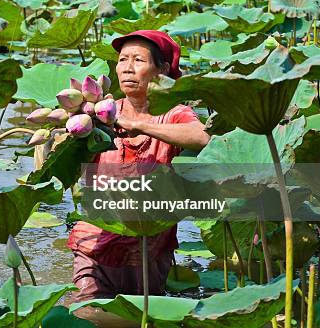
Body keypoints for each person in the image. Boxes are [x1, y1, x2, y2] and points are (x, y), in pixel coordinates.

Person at [66, 30, 211, 301]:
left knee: (140, 316)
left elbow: (203, 137)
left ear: (163, 69)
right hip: (95, 245)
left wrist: (140, 125)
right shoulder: (100, 112)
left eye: (138, 60)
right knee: (86, 312)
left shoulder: (174, 113)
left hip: (148, 249)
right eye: (122, 59)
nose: (127, 68)